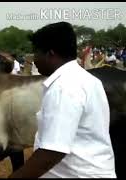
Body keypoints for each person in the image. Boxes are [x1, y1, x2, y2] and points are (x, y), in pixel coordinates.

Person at [9, 22, 116, 178]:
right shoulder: (87, 79)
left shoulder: (63, 87)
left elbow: (51, 153)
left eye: (36, 52)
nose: (34, 59)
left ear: (50, 54)